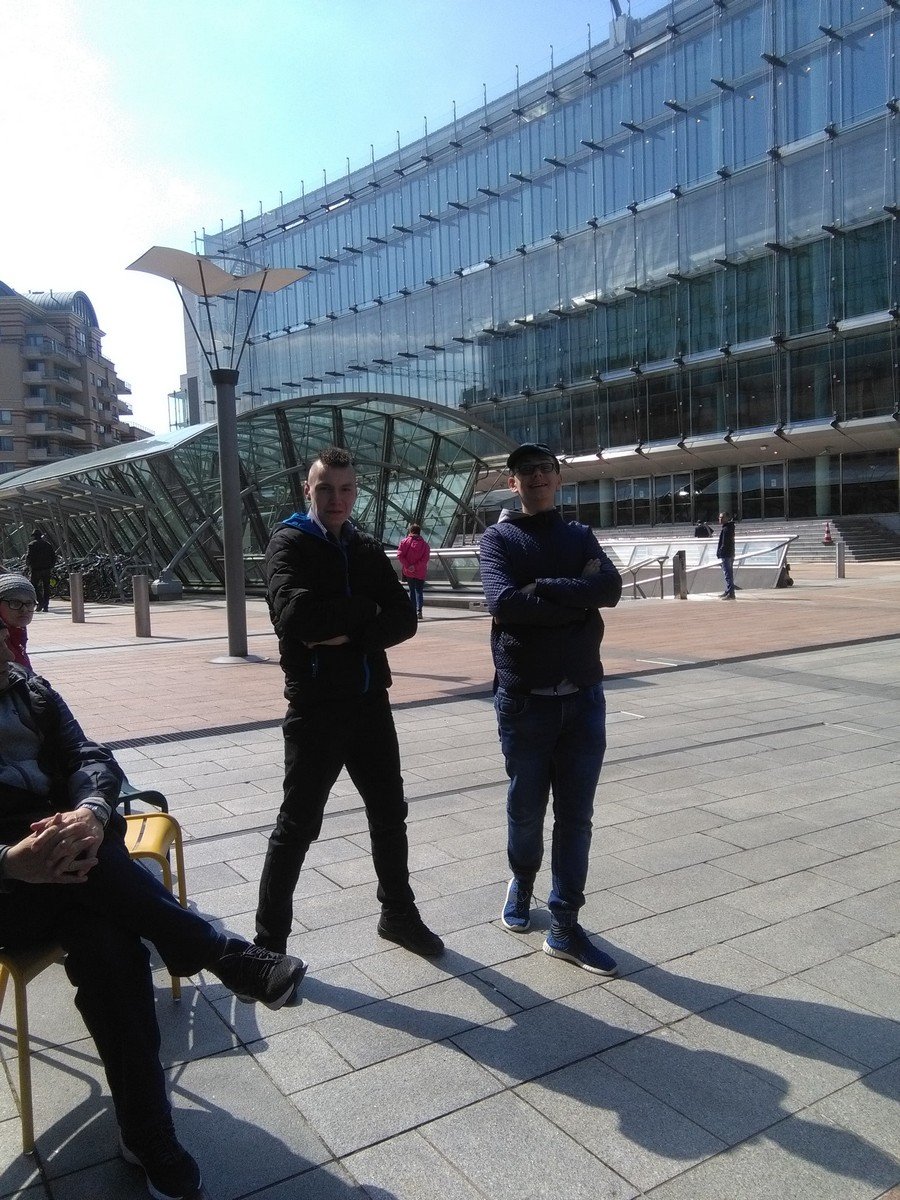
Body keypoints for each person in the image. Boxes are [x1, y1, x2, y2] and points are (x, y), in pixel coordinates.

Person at [0, 616, 307, 1200]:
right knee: (100, 887)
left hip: (75, 863)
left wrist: (91, 812)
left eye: (1, 636)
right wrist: (10, 863)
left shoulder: (30, 692)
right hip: (10, 894)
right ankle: (220, 953)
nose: (4, 651)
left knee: (108, 943)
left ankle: (147, 1132)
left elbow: (89, 756)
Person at [255, 446, 443, 960]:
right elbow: (296, 618)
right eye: (325, 489)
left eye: (345, 489)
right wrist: (364, 609)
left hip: (369, 701)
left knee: (389, 813)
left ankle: (397, 914)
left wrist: (349, 634)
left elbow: (402, 618)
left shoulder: (363, 547)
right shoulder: (288, 543)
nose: (336, 499)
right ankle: (269, 944)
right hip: (316, 707)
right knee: (297, 824)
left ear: (355, 493)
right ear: (307, 491)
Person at [479, 443, 623, 976]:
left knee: (576, 817)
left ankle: (564, 924)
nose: (536, 477)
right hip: (525, 702)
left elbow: (610, 588)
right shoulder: (498, 539)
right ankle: (522, 879)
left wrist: (544, 587)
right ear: (512, 482)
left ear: (558, 479)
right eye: (525, 471)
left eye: (544, 469)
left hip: (583, 697)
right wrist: (576, 601)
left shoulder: (579, 535)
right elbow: (503, 602)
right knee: (525, 807)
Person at [0, 573, 37, 670]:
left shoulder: (18, 633)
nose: (24, 609)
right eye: (15, 603)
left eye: (29, 603)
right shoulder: (3, 638)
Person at [396, 522, 431, 619]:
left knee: (412, 591)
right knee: (419, 591)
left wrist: (409, 566)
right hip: (420, 571)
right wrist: (415, 566)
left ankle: (412, 611)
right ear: (419, 532)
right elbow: (425, 559)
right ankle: (419, 611)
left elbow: (400, 555)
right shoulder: (425, 545)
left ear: (410, 531)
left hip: (409, 572)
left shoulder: (404, 542)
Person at [24, 528, 56, 613]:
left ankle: (40, 601)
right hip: (46, 569)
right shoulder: (47, 544)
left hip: (36, 569)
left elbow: (29, 557)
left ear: (34, 536)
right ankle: (46, 606)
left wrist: (28, 565)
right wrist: (51, 566)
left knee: (33, 585)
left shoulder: (31, 545)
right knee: (46, 587)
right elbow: (53, 556)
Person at [716, 510, 736, 599]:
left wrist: (720, 552)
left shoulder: (726, 529)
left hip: (726, 555)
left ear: (727, 518)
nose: (720, 519)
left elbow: (725, 543)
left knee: (728, 574)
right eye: (719, 517)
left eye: (722, 517)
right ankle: (728, 591)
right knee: (728, 574)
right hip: (729, 553)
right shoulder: (728, 528)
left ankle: (731, 593)